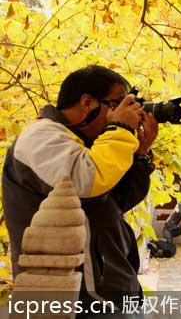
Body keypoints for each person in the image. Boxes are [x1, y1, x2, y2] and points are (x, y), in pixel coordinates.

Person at [2, 65, 158, 312]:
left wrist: (140, 154)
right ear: (87, 102)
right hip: (71, 296)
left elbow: (114, 201)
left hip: (106, 289)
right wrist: (121, 130)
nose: (125, 112)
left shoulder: (83, 143)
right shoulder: (41, 137)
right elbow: (86, 182)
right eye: (117, 103)